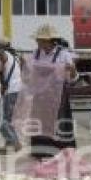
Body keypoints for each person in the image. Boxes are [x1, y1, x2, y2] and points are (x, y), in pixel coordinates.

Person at [29, 24, 77, 158]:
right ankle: (41, 151)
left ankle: (62, 152)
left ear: (48, 41)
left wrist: (71, 70)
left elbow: (73, 79)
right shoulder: (36, 54)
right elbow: (31, 73)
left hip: (58, 96)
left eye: (40, 40)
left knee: (59, 123)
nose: (37, 42)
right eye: (37, 40)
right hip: (40, 96)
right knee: (41, 123)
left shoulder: (64, 55)